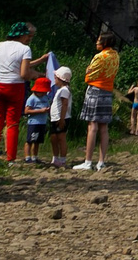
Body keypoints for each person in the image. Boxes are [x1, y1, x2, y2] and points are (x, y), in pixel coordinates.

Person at [0, 23, 50, 163]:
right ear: (22, 34)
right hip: (15, 88)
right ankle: (11, 158)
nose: (29, 38)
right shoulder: (25, 49)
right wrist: (39, 75)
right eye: (28, 36)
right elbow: (24, 73)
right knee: (12, 123)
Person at [73, 30, 120, 172]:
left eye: (99, 40)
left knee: (92, 126)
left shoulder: (100, 56)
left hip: (95, 90)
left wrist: (88, 72)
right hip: (107, 91)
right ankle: (101, 162)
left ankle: (88, 161)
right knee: (104, 127)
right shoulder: (115, 56)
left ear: (104, 42)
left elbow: (89, 74)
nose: (97, 42)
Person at [47, 65, 74, 165]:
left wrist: (62, 119)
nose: (54, 80)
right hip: (55, 118)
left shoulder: (64, 90)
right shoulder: (61, 90)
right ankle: (55, 158)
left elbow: (64, 104)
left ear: (61, 79)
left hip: (61, 118)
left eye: (56, 78)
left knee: (61, 138)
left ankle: (62, 159)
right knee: (53, 138)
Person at [23, 77, 51, 165]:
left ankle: (35, 157)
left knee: (37, 141)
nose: (43, 93)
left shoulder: (45, 97)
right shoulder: (32, 99)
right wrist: (40, 111)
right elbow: (26, 111)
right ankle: (27, 157)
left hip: (42, 122)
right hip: (33, 123)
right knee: (30, 140)